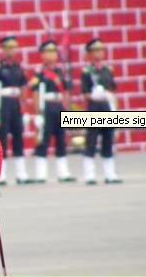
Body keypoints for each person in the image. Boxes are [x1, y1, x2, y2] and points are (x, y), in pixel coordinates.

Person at [30, 40, 76, 183]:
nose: (52, 55)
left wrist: (66, 109)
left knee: (61, 139)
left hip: (58, 105)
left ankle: (63, 172)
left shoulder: (61, 72)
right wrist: (38, 113)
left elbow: (66, 92)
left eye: (54, 52)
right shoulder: (40, 74)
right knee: (43, 139)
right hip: (46, 107)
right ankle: (41, 173)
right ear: (42, 55)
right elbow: (35, 93)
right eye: (48, 52)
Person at [0, 36, 31, 185]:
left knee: (18, 136)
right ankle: (1, 174)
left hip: (15, 103)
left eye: (14, 48)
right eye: (9, 48)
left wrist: (24, 107)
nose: (12, 51)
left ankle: (21, 174)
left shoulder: (18, 67)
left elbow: (23, 87)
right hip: (3, 102)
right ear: (3, 50)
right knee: (2, 137)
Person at [81, 38, 122, 184]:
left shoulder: (107, 70)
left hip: (106, 106)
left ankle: (110, 174)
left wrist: (115, 109)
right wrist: (93, 95)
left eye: (101, 50)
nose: (99, 53)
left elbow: (112, 90)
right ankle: (89, 174)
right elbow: (85, 92)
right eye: (96, 50)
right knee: (91, 141)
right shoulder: (87, 72)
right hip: (94, 107)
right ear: (90, 54)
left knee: (108, 140)